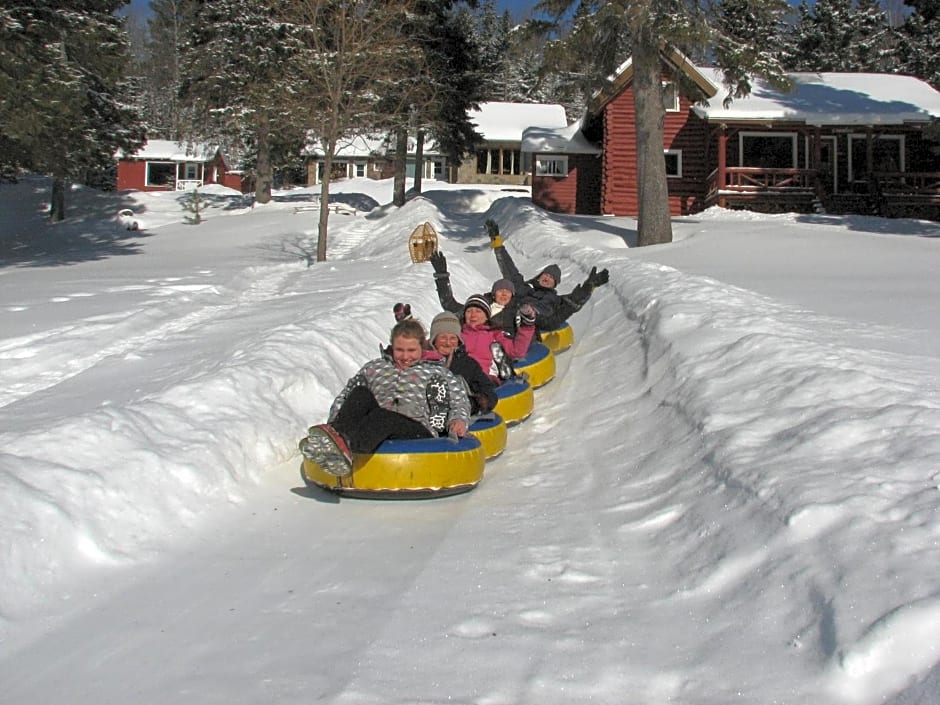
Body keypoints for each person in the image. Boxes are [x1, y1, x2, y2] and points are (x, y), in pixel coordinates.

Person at [307, 319, 471, 464]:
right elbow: (345, 396)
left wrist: (458, 420)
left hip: (417, 431)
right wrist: (335, 420)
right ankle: (335, 440)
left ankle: (352, 451)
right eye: (399, 350)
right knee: (360, 394)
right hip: (374, 428)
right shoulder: (374, 368)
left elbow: (459, 400)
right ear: (392, 347)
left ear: (422, 348)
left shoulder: (437, 372)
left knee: (383, 416)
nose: (405, 356)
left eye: (411, 350)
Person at [485, 218, 610, 331]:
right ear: (539, 277)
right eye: (545, 275)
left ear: (555, 284)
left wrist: (589, 287)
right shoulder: (523, 287)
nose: (547, 278)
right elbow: (509, 269)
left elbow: (573, 302)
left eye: (552, 278)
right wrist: (497, 242)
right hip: (505, 312)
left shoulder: (555, 299)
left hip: (529, 321)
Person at [429, 250, 520, 335]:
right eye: (500, 290)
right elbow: (449, 304)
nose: (504, 294)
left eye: (507, 291)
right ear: (493, 294)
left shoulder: (516, 314)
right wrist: (442, 277)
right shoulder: (478, 307)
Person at [428, 311, 498, 416]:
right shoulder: (424, 363)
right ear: (434, 340)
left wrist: (474, 404)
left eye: (452, 338)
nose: (448, 343)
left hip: (461, 416)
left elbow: (489, 392)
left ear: (458, 341)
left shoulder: (468, 364)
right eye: (443, 337)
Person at [459, 293, 536, 382]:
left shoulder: (494, 334)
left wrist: (527, 327)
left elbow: (516, 351)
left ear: (486, 317)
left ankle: (503, 367)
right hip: (461, 377)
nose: (473, 315)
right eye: (469, 311)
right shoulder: (458, 335)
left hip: (484, 378)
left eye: (478, 311)